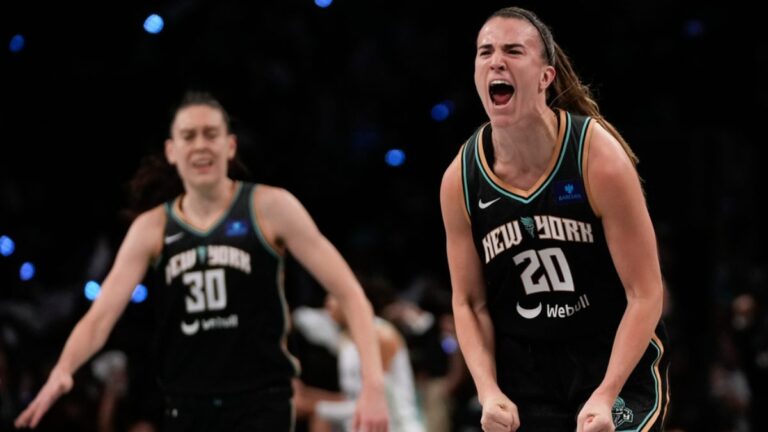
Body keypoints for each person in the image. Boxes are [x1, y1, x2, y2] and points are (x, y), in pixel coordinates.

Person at [14, 91, 389, 432]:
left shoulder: (270, 207)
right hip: (186, 407)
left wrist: (373, 387)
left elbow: (351, 295)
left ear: (230, 146)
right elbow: (100, 318)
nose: (200, 145)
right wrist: (63, 370)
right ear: (171, 151)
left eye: (210, 134)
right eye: (188, 136)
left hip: (261, 404)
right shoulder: (152, 227)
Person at [439, 7, 669, 432]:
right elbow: (469, 304)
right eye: (484, 51)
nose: (496, 61)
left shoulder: (597, 158)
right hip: (525, 374)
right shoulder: (461, 180)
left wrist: (605, 394)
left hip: (610, 358)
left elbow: (645, 292)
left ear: (545, 77)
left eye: (512, 50)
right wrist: (488, 391)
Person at [293, 292, 424, 432]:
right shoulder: (345, 338)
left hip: (395, 426)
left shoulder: (380, 335)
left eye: (333, 297)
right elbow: (352, 397)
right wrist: (306, 395)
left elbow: (379, 401)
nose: (328, 304)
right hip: (362, 424)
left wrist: (315, 407)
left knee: (319, 416)